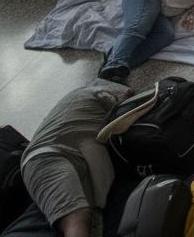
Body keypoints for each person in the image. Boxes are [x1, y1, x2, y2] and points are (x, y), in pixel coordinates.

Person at [19, 79, 135, 237]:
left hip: (77, 158)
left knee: (92, 220)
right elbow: (126, 94)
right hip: (47, 157)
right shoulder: (93, 93)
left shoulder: (86, 100)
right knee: (78, 215)